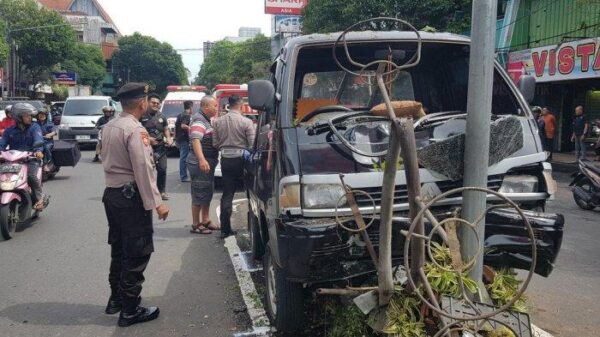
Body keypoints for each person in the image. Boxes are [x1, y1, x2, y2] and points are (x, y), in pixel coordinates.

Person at [101, 82, 170, 327]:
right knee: (138, 251)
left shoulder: (110, 126)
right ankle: (130, 310)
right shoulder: (135, 129)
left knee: (119, 247)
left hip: (112, 194)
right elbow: (142, 168)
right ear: (142, 103)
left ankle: (116, 299)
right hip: (131, 198)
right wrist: (157, 202)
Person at [213, 95, 256, 239]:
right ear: (241, 104)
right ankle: (252, 228)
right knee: (250, 193)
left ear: (228, 105)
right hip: (242, 160)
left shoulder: (218, 122)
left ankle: (225, 230)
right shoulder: (246, 121)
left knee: (228, 193)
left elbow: (215, 143)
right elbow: (252, 144)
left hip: (226, 159)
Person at [0, 103, 48, 211]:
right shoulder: (9, 130)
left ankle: (39, 199)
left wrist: (38, 151)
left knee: (31, 176)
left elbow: (38, 141)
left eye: (30, 115)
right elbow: (2, 143)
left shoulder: (35, 127)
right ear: (19, 117)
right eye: (27, 115)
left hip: (30, 159)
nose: (30, 118)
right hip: (12, 160)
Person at [188, 96, 220, 234]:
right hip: (200, 161)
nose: (216, 108)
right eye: (215, 106)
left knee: (207, 191)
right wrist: (201, 159)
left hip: (208, 161)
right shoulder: (199, 119)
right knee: (199, 192)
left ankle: (205, 219)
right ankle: (196, 224)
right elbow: (195, 140)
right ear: (205, 106)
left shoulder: (206, 120)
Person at [141, 94, 173, 200]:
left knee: (162, 169)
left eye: (157, 103)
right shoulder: (141, 115)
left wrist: (168, 138)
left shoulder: (162, 116)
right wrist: (148, 139)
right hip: (145, 147)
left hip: (160, 147)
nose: (156, 104)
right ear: (148, 102)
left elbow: (166, 129)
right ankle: (146, 192)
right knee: (147, 171)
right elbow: (136, 130)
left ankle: (161, 191)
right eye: (153, 102)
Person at [175, 101, 193, 182]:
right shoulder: (186, 115)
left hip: (180, 138)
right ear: (190, 107)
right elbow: (183, 125)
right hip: (184, 139)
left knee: (184, 157)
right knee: (184, 158)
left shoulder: (180, 114)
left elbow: (176, 127)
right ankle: (184, 177)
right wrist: (191, 128)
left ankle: (184, 175)